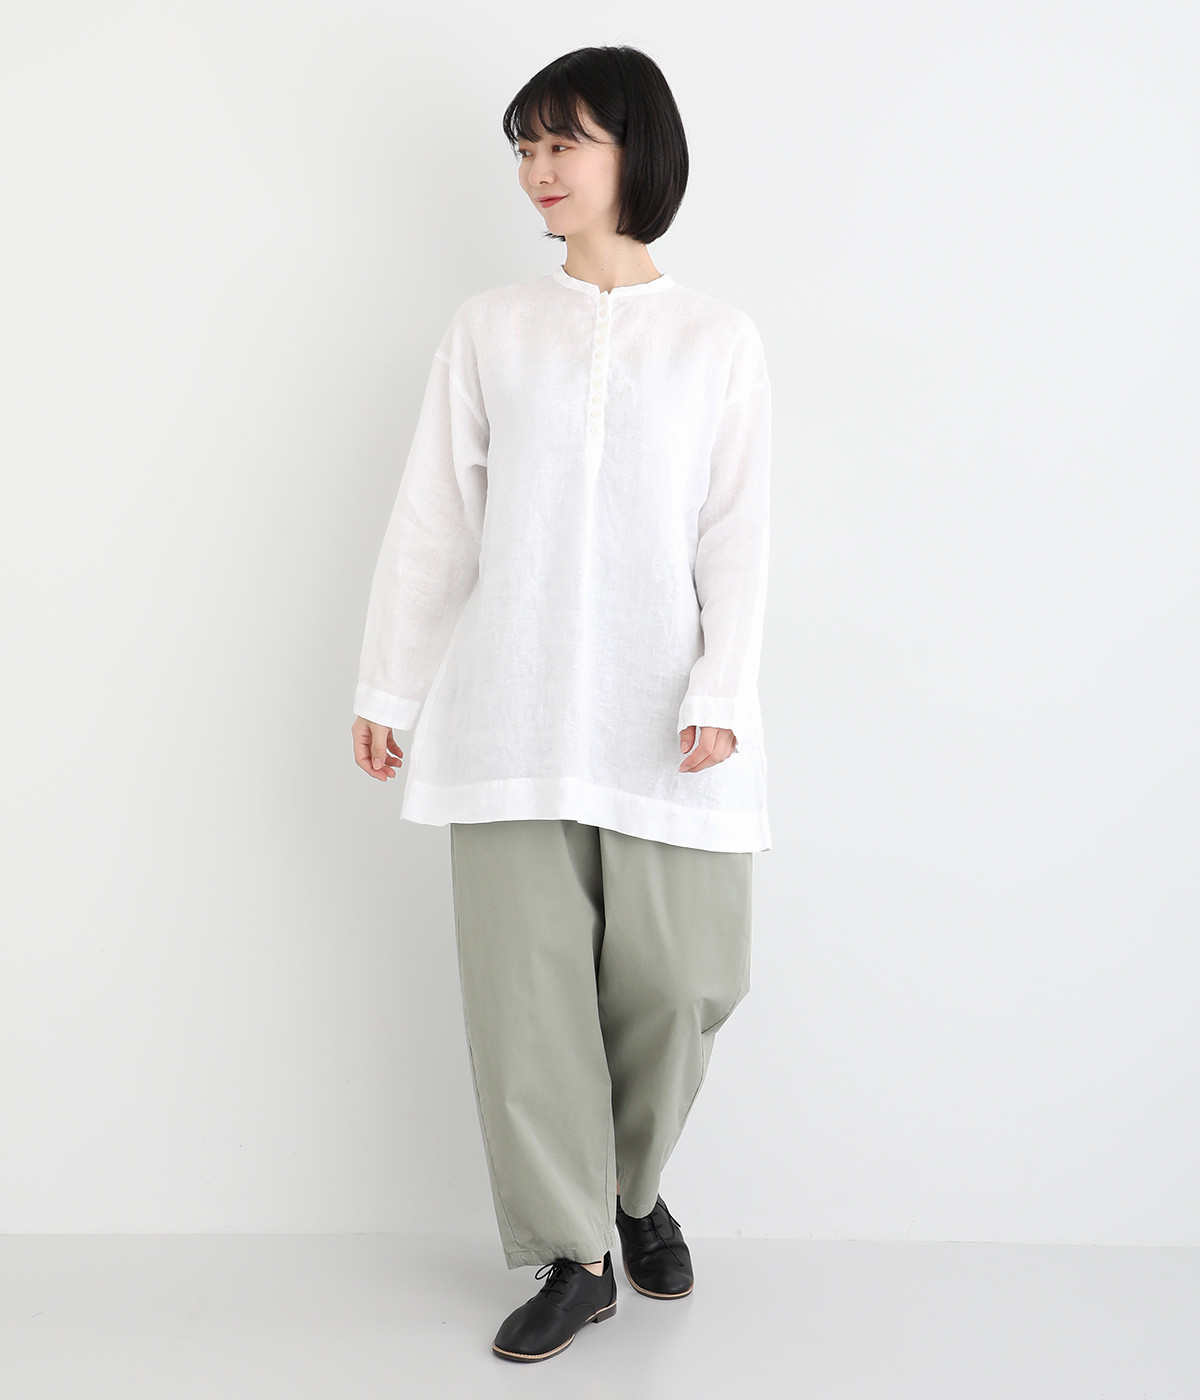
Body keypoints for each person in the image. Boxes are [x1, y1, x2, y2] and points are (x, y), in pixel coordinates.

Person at [351, 44, 771, 1363]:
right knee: (525, 1003)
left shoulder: (716, 338)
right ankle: (576, 1254)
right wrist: (391, 685)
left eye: (563, 142)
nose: (538, 169)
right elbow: (437, 518)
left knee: (691, 978)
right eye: (525, 147)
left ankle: (631, 1189)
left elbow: (738, 533)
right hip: (512, 713)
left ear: (634, 149)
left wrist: (721, 684)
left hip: (668, 725)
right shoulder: (490, 328)